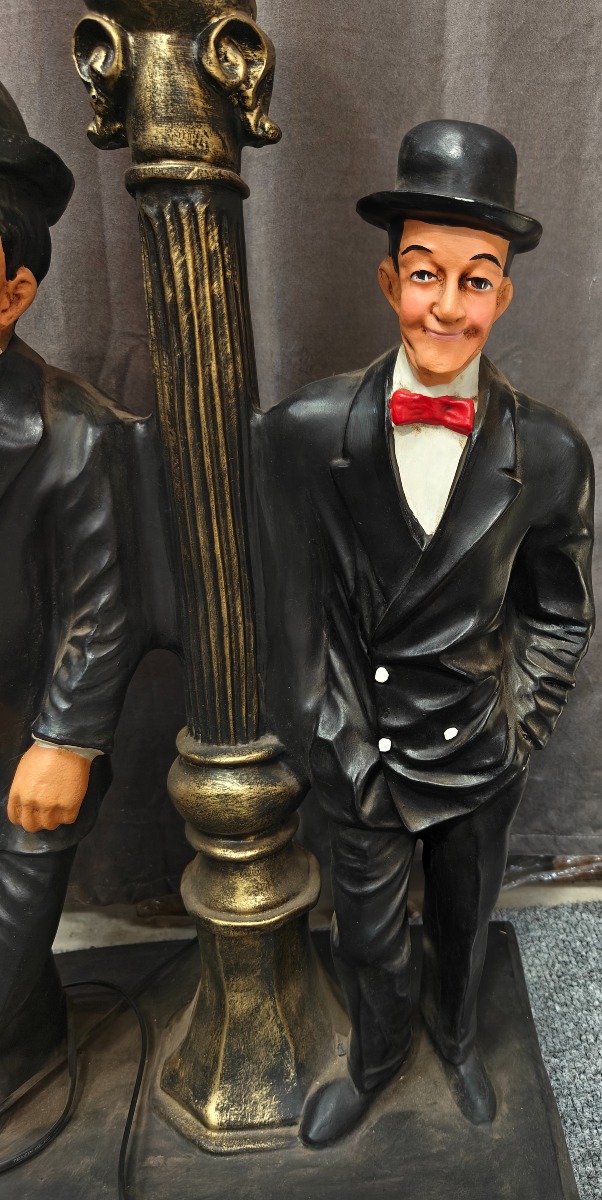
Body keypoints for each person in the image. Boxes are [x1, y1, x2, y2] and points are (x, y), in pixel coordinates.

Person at [254, 119, 595, 1146]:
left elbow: (559, 611)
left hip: (476, 747)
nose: (447, 306)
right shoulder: (304, 434)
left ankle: (455, 1039)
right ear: (388, 278)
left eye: (475, 280)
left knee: (463, 918)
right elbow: (291, 620)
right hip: (360, 747)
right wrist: (334, 747)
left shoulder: (550, 452)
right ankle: (375, 1057)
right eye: (424, 274)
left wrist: (516, 731)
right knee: (368, 935)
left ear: (504, 295)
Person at [0, 83, 143, 1097]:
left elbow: (103, 607)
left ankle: (20, 1046)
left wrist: (63, 741)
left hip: (19, 745)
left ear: (13, 290)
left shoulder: (71, 434)